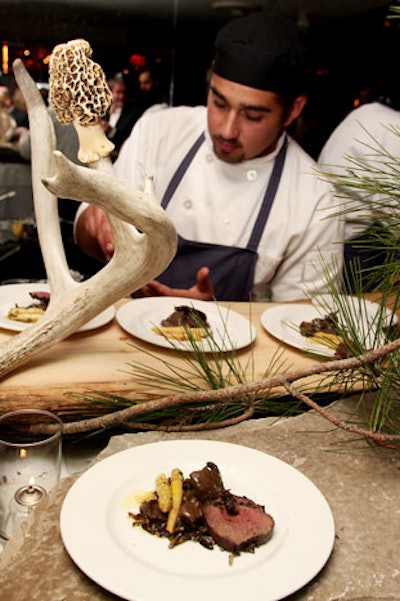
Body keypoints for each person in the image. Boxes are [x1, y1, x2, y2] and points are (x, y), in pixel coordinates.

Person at [75, 11, 344, 302]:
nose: (227, 130)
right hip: (126, 334)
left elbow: (300, 326)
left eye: (253, 116)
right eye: (219, 103)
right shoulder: (159, 132)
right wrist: (97, 223)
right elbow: (85, 239)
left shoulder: (316, 199)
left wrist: (214, 317)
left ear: (293, 110)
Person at [318, 67, 400, 289]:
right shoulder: (395, 127)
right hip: (349, 251)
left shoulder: (365, 112)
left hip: (325, 234)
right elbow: (395, 217)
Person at [101, 75, 138, 158]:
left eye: (124, 92)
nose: (122, 96)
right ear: (110, 93)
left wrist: (111, 131)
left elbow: (129, 138)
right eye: (118, 92)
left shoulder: (131, 115)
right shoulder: (102, 112)